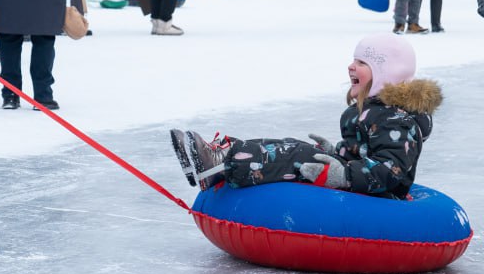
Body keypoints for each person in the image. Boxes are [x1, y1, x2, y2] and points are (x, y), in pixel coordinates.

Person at [171, 34, 440, 199]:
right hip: (360, 184)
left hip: (379, 198)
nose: (351, 66)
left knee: (297, 155)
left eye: (362, 63)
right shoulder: (376, 111)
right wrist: (335, 152)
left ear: (385, 74)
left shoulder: (397, 121)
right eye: (353, 60)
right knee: (294, 145)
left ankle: (223, 163)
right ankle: (222, 158)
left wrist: (343, 174)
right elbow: (365, 152)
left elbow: (390, 170)